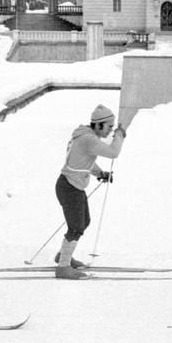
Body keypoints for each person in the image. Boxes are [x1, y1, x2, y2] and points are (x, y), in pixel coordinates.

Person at [53, 104, 126, 279]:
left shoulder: (86, 136)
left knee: (84, 222)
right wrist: (119, 135)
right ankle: (63, 267)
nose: (110, 131)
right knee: (76, 227)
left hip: (71, 186)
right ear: (99, 124)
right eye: (109, 127)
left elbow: (85, 161)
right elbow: (113, 152)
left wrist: (100, 173)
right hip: (70, 187)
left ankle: (63, 256)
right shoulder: (88, 139)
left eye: (113, 127)